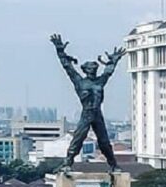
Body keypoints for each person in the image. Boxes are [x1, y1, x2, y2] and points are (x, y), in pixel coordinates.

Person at [50, 33, 124, 169]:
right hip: (86, 113)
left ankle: (113, 164)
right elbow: (68, 67)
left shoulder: (99, 82)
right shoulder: (80, 82)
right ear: (85, 70)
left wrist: (114, 61)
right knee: (78, 138)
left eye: (95, 69)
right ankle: (68, 162)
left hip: (97, 114)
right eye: (90, 69)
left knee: (104, 141)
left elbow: (108, 72)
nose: (93, 71)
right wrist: (60, 51)